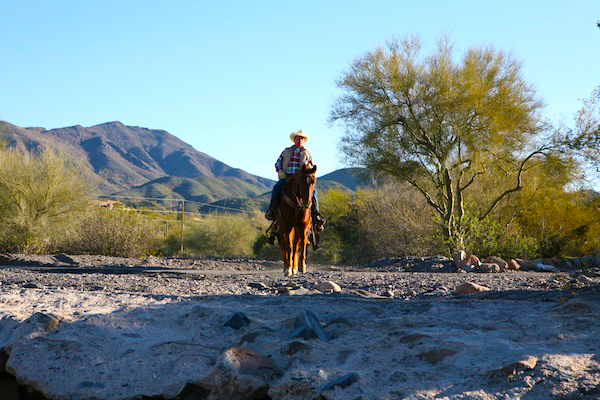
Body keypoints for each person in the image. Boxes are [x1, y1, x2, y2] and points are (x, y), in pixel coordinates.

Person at [265, 130, 326, 233]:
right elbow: (278, 163)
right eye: (298, 138)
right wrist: (280, 171)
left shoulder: (307, 153)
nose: (300, 140)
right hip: (287, 177)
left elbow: (311, 165)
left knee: (314, 192)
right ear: (294, 140)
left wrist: (309, 172)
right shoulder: (286, 151)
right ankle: (272, 210)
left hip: (302, 178)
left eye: (302, 138)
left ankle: (316, 215)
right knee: (277, 187)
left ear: (304, 141)